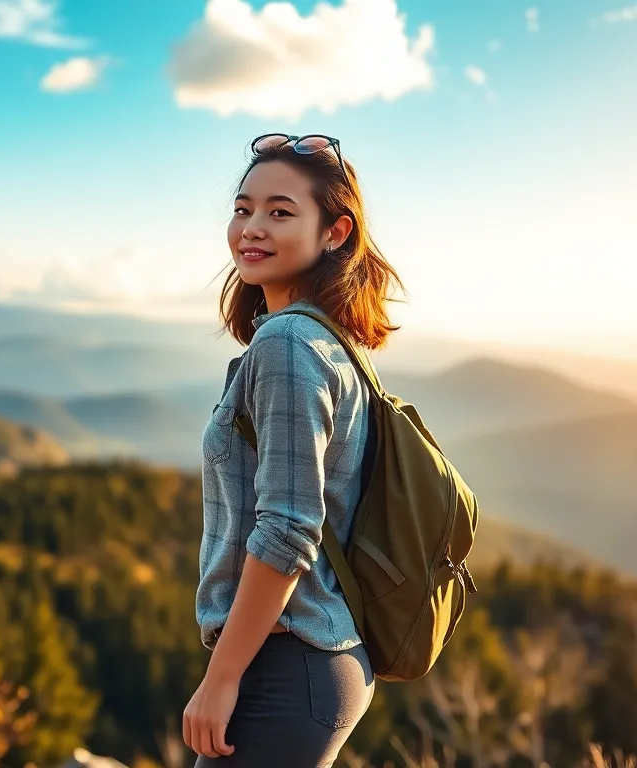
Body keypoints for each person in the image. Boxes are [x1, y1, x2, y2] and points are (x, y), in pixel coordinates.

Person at [184, 133, 406, 767]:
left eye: (280, 212)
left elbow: (287, 527)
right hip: (311, 661)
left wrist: (221, 679)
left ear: (335, 232)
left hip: (288, 665)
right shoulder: (326, 340)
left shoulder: (286, 345)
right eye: (243, 207)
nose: (252, 227)